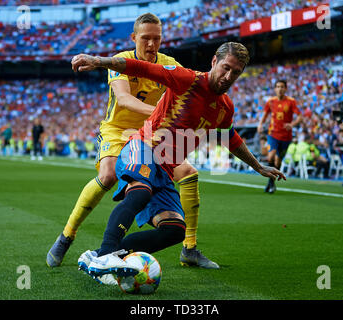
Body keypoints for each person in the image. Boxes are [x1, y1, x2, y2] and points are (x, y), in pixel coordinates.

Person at [71, 42, 286, 283]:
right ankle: (107, 254)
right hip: (142, 148)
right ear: (214, 61)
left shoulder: (225, 107)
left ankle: (97, 257)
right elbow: (141, 68)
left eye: (235, 72)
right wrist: (99, 61)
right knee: (140, 191)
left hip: (164, 168)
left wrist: (258, 166)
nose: (228, 76)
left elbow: (231, 138)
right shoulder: (188, 79)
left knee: (174, 229)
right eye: (225, 68)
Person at [47, 13, 218, 272]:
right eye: (146, 38)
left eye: (157, 39)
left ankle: (189, 248)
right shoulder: (123, 61)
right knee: (107, 175)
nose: (151, 44)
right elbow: (125, 100)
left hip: (152, 133)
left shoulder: (169, 63)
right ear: (134, 38)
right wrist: (163, 115)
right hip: (118, 129)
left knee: (189, 173)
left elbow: (195, 85)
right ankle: (67, 236)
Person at [257, 80, 302, 193]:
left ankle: (271, 183)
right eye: (277, 87)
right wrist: (260, 124)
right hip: (273, 134)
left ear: (285, 89)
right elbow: (265, 114)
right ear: (275, 89)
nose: (280, 89)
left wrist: (291, 125)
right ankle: (271, 183)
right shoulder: (271, 101)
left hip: (286, 137)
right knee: (271, 156)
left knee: (278, 162)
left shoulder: (291, 102)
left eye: (282, 87)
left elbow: (300, 117)